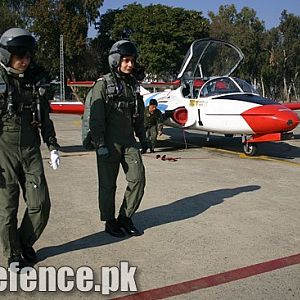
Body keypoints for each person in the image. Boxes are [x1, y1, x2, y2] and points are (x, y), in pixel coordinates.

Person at [0, 28, 60, 267]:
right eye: (19, 56)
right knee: (7, 209)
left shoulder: (35, 82)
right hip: (3, 149)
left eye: (28, 56)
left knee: (40, 204)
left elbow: (44, 117)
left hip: (31, 149)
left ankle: (24, 242)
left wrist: (53, 144)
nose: (24, 61)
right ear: (7, 55)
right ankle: (12, 253)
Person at [89, 40, 148, 237]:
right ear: (116, 60)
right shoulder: (103, 84)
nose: (130, 64)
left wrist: (144, 138)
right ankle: (110, 221)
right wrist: (99, 143)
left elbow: (139, 115)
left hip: (128, 141)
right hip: (108, 142)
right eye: (126, 60)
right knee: (108, 185)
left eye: (132, 61)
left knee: (138, 178)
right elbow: (96, 118)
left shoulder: (133, 86)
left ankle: (125, 217)